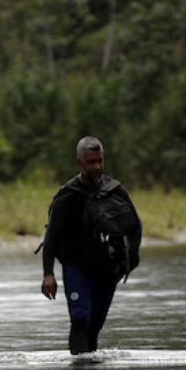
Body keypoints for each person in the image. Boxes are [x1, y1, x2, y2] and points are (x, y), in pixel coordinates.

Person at [40, 136, 143, 355]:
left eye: (100, 161)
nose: (96, 167)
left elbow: (134, 226)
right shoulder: (66, 197)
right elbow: (51, 238)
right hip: (76, 266)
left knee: (95, 326)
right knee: (80, 320)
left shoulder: (116, 190)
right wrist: (48, 274)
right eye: (91, 162)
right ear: (79, 162)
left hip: (107, 269)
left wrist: (128, 262)